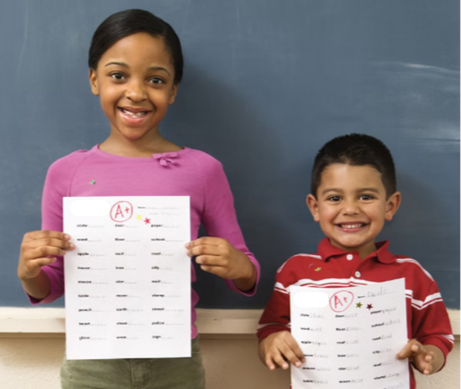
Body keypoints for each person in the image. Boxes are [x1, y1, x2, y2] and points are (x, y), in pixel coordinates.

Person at [17, 9, 259, 389]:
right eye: (118, 75)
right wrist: (30, 274)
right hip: (91, 364)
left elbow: (246, 272)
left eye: (156, 79)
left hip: (175, 362)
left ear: (173, 89)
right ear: (94, 79)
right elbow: (53, 284)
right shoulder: (65, 172)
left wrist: (237, 266)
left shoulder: (202, 170)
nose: (136, 92)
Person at [257, 134, 453, 388]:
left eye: (366, 197)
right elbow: (269, 330)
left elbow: (438, 336)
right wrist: (272, 343)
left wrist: (428, 356)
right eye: (335, 198)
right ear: (315, 207)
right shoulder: (295, 272)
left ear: (390, 206)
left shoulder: (412, 274)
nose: (350, 209)